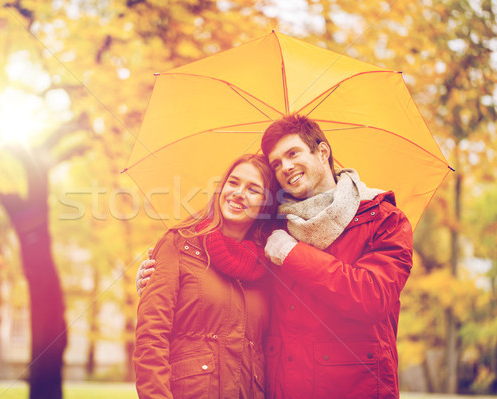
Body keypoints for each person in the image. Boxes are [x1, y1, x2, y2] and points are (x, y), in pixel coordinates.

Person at [137, 113, 413, 399]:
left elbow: (372, 297)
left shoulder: (383, 220)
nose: (286, 167)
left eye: (293, 153)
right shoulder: (274, 230)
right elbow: (223, 264)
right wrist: (159, 276)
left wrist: (292, 253)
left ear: (322, 152)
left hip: (356, 388)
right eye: (277, 163)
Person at [133, 154, 278, 399]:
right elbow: (151, 337)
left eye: (253, 189)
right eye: (233, 183)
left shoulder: (269, 266)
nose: (239, 192)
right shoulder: (178, 245)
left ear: (267, 205)